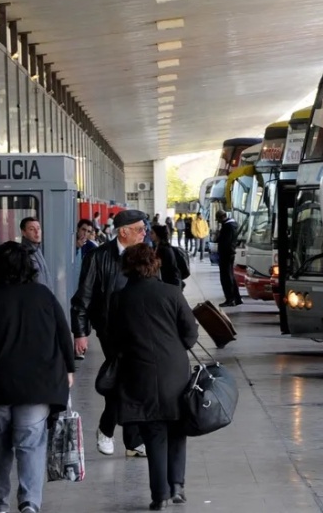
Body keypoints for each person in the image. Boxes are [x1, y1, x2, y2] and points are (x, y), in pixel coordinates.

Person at [0, 242, 75, 513]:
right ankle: (30, 502)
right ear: (29, 267)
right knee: (30, 445)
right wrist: (69, 370)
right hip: (37, 386)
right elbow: (64, 335)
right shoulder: (43, 295)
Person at [109, 244, 198, 510]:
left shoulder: (119, 299)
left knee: (154, 433)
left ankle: (159, 495)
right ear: (154, 264)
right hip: (174, 372)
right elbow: (191, 334)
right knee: (177, 429)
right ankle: (178, 486)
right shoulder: (172, 293)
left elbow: (113, 339)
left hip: (139, 373)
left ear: (127, 266)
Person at [71, 209, 148, 457]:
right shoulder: (97, 257)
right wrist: (80, 333)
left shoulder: (145, 255)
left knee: (132, 381)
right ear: (123, 232)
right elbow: (82, 299)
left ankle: (130, 440)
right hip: (111, 330)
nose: (144, 233)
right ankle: (109, 430)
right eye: (139, 229)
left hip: (140, 329)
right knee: (126, 378)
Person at [215, 210, 242, 307]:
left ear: (222, 217)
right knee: (230, 276)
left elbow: (224, 242)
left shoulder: (227, 227)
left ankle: (230, 299)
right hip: (230, 253)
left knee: (226, 277)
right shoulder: (232, 225)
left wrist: (218, 236)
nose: (218, 221)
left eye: (218, 219)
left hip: (225, 254)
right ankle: (236, 298)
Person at [20, 217, 52, 291]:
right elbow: (38, 280)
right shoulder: (26, 253)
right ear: (23, 233)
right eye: (32, 229)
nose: (37, 232)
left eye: (38, 228)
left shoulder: (37, 249)